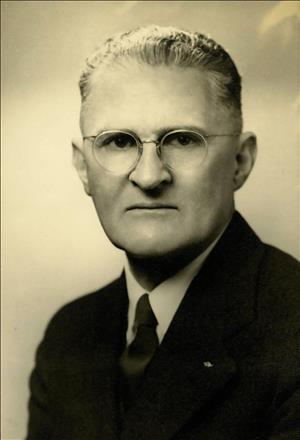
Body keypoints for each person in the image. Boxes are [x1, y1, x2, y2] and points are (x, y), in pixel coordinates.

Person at [26, 25, 300, 440]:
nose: (150, 176)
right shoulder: (69, 335)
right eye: (119, 142)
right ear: (83, 167)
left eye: (184, 140)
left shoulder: (293, 328)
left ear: (240, 161)